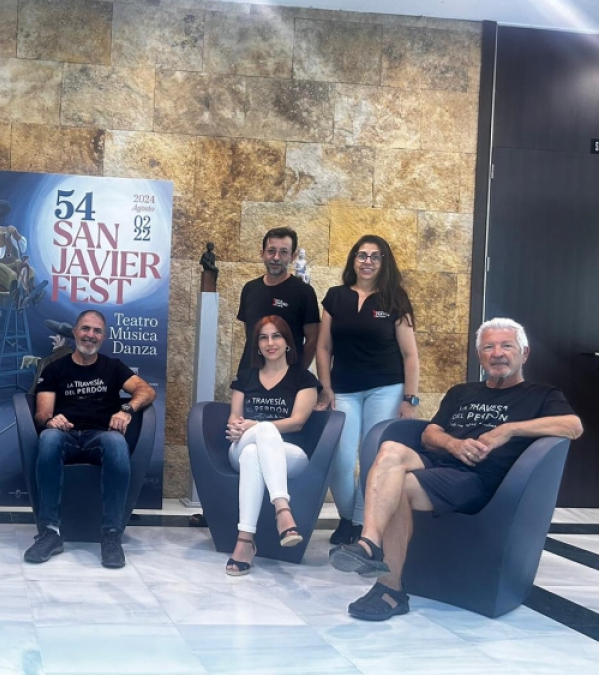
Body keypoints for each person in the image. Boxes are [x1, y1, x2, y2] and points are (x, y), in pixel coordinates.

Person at [329, 318, 581, 621]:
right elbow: (429, 434)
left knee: (399, 487)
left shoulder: (542, 395)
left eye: (506, 346)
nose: (497, 353)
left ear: (524, 353)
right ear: (480, 356)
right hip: (438, 461)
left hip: (474, 478)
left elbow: (573, 426)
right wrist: (453, 444)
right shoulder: (462, 392)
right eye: (488, 347)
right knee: (391, 449)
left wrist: (509, 429)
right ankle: (368, 542)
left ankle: (390, 588)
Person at [23, 310, 156, 569]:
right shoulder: (55, 368)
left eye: (97, 331)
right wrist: (51, 421)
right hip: (65, 435)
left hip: (101, 437)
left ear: (103, 337)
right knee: (48, 438)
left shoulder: (113, 367)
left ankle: (111, 535)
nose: (90, 335)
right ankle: (50, 533)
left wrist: (126, 410)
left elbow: (146, 391)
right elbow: (41, 414)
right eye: (85, 328)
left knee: (117, 443)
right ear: (75, 333)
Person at [316, 234, 420, 547]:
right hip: (343, 389)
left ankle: (360, 524)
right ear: (353, 260)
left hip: (386, 388)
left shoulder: (395, 299)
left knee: (372, 458)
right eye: (362, 255)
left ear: (384, 263)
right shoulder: (335, 297)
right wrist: (326, 388)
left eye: (375, 256)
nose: (368, 262)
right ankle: (349, 516)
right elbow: (323, 347)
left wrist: (409, 399)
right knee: (340, 460)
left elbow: (410, 354)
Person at [224, 316, 320, 576]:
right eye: (263, 338)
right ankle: (282, 510)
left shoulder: (303, 379)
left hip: (289, 454)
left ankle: (245, 541)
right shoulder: (246, 377)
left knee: (255, 449)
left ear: (288, 342)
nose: (270, 343)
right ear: (257, 345)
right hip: (241, 445)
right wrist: (236, 427)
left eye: (276, 336)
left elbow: (297, 422)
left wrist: (255, 424)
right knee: (259, 436)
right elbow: (234, 417)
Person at [236, 227, 319, 372]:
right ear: (262, 254)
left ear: (293, 257)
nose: (276, 257)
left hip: (288, 379)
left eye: (283, 252)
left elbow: (312, 340)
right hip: (249, 375)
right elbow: (250, 334)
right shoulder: (250, 289)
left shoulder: (304, 293)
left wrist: (297, 374)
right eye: (271, 251)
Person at [0, 200, 45, 313]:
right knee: (12, 275)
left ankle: (32, 294)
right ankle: (17, 301)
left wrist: (15, 234)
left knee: (28, 269)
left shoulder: (5, 230)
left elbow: (22, 247)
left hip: (10, 261)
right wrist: (1, 238)